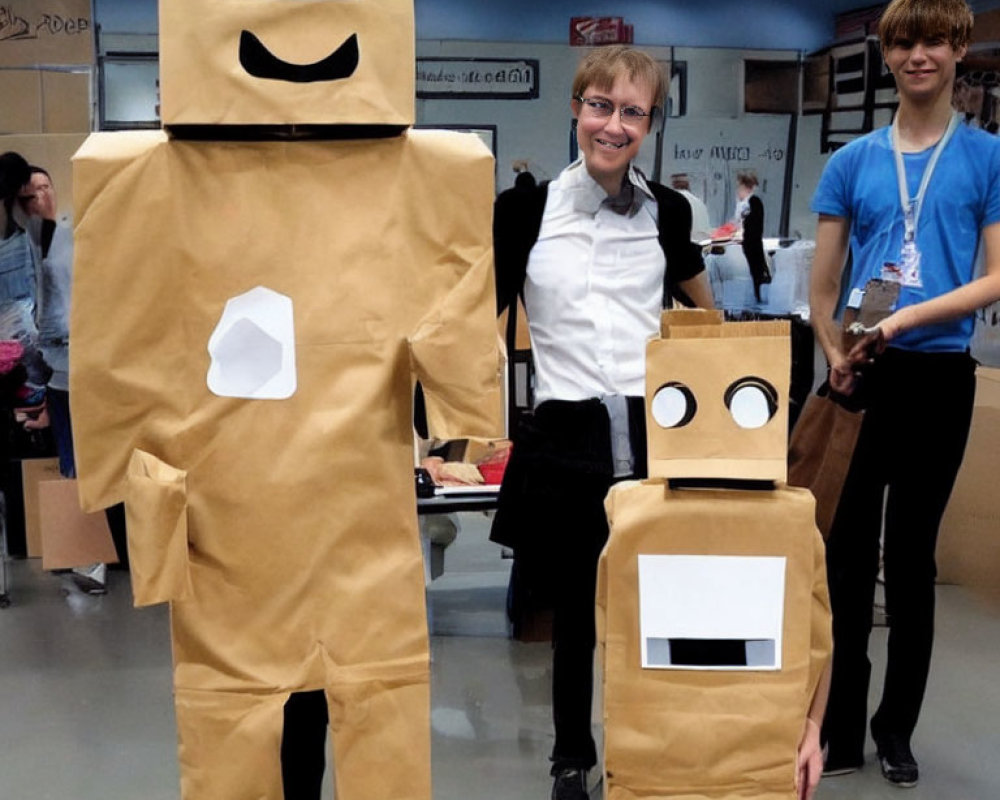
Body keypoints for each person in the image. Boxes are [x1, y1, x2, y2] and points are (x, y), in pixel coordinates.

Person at [490, 45, 713, 800]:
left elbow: (704, 320)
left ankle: (649, 750)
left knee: (657, 604)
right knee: (575, 616)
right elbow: (472, 320)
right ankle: (570, 760)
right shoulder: (523, 212)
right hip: (565, 437)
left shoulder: (670, 212)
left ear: (651, 122)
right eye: (600, 105)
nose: (613, 125)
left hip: (656, 433)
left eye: (632, 112)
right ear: (576, 107)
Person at [809, 0, 1000, 788]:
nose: (918, 55)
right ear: (886, 54)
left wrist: (913, 315)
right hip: (862, 372)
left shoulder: (986, 157)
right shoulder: (850, 162)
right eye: (903, 42)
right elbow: (822, 286)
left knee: (911, 559)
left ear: (958, 49)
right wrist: (835, 353)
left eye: (933, 40)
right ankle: (843, 730)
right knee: (846, 560)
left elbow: (995, 276)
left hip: (937, 376)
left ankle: (897, 731)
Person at [17, 166, 129, 591]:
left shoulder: (74, 236)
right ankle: (83, 553)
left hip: (88, 365)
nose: (41, 198)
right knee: (70, 459)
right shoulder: (24, 244)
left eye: (46, 188)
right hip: (54, 368)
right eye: (31, 194)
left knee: (92, 457)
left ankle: (97, 556)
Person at [735, 169, 771, 303]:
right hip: (749, 246)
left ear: (745, 187)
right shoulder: (745, 204)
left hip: (751, 248)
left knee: (755, 278)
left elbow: (750, 228)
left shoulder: (752, 203)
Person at [670, 172, 712, 243]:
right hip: (702, 246)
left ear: (674, 184)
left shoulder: (672, 200)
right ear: (688, 185)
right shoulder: (699, 202)